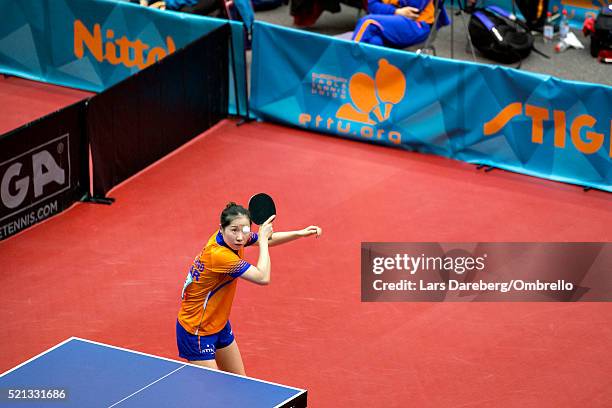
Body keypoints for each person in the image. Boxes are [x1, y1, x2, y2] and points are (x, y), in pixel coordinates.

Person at [176, 202, 322, 375]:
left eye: (244, 230)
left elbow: (267, 237)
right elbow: (263, 277)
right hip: (196, 331)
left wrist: (299, 233)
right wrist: (263, 242)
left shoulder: (231, 239)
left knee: (241, 382)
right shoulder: (219, 255)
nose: (240, 237)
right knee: (211, 393)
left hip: (219, 323)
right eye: (234, 230)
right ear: (221, 229)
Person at [352, 0, 450, 49]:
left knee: (368, 22)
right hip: (390, 25)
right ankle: (373, 84)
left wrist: (388, 8)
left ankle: (345, 70)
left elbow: (414, 8)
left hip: (417, 25)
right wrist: (396, 11)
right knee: (374, 42)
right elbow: (372, 5)